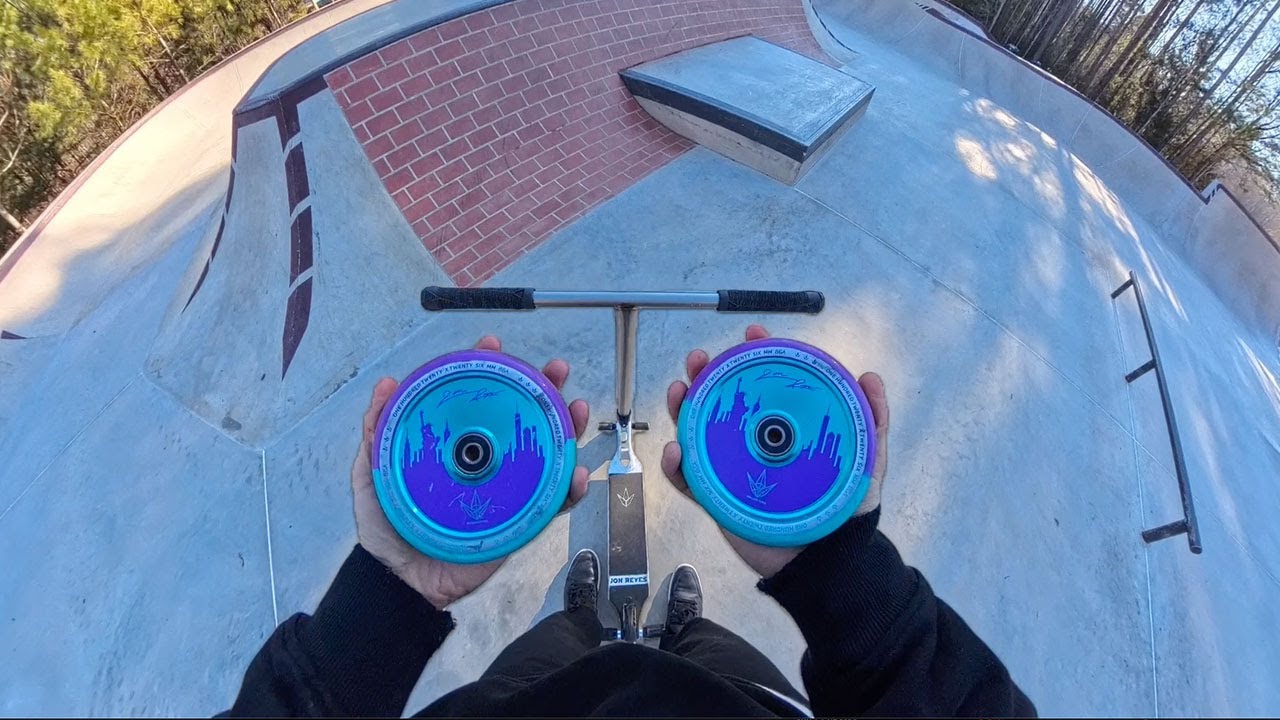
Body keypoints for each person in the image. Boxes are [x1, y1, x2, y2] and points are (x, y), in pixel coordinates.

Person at [223, 326, 1036, 717]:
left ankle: (581, 620)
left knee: (559, 642)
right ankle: (681, 631)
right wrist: (841, 564)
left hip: (518, 701)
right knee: (708, 648)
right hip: (740, 700)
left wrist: (389, 586)